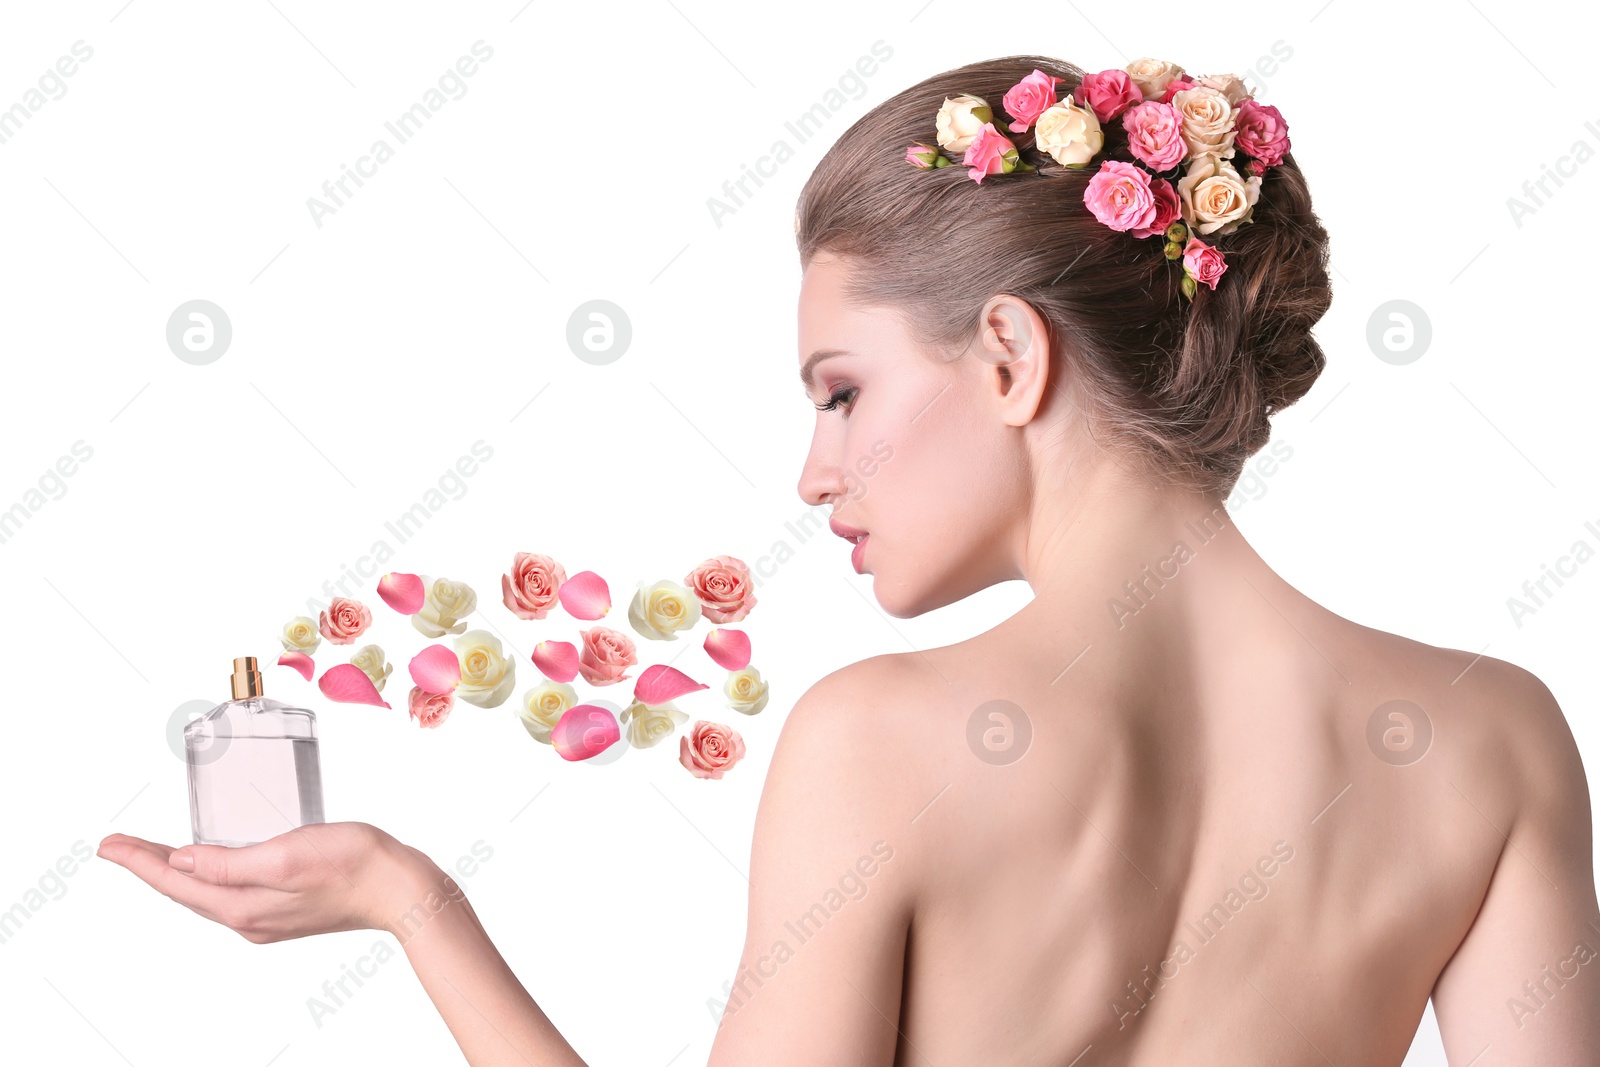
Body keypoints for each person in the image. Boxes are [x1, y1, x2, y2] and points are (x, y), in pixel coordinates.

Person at [98, 54, 1600, 1064]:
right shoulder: (1496, 743)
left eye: (842, 391)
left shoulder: (882, 744)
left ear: (1010, 355)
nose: (817, 470)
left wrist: (408, 904)